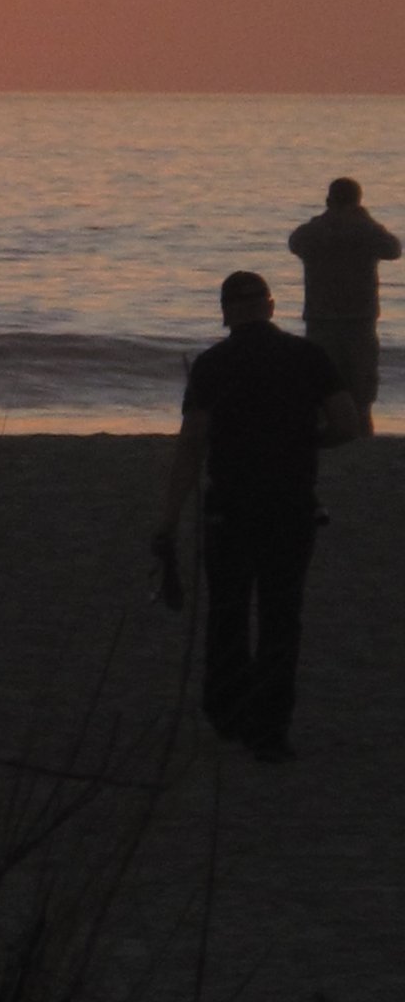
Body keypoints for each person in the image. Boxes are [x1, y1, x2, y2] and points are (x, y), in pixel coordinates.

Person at [154, 271, 360, 763]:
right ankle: (269, 730)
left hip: (230, 506)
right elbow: (348, 425)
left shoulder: (212, 365)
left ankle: (227, 712)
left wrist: (168, 518)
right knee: (280, 616)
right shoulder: (308, 357)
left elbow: (192, 444)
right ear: (270, 307)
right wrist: (306, 442)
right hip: (291, 506)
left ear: (226, 312)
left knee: (228, 611)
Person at [287, 176, 400, 433]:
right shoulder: (364, 229)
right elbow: (393, 248)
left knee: (323, 386)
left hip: (321, 319)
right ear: (358, 202)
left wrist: (326, 219)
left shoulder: (314, 231)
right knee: (360, 390)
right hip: (358, 320)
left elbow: (294, 242)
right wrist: (365, 220)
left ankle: (325, 436)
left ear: (329, 200)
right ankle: (360, 436)